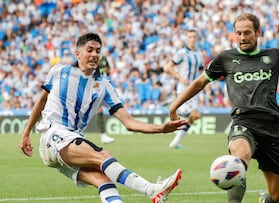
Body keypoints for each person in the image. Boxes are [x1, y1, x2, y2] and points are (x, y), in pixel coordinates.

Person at [168, 14, 279, 203]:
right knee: (238, 159)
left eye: (247, 33)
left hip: (271, 130)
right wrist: (175, 105)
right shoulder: (226, 58)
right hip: (243, 122)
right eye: (238, 33)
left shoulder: (274, 56)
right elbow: (199, 83)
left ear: (258, 32)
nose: (243, 37)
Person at [19, 32, 188, 203]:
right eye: (89, 50)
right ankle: (151, 190)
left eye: (97, 51)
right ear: (77, 53)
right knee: (103, 156)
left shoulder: (104, 86)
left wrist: (160, 129)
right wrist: (26, 133)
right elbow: (42, 101)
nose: (94, 55)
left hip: (68, 143)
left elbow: (128, 122)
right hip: (53, 136)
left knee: (104, 180)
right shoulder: (59, 71)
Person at [164, 29, 204, 149]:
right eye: (190, 37)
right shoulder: (182, 52)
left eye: (194, 37)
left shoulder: (199, 54)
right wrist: (180, 77)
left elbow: (201, 71)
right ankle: (175, 141)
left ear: (196, 39)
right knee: (195, 115)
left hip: (194, 88)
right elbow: (168, 67)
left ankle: (175, 142)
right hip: (184, 88)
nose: (192, 39)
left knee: (193, 117)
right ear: (186, 39)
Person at [97, 55, 116, 144]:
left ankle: (103, 135)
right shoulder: (91, 57)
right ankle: (103, 135)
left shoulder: (104, 58)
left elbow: (108, 72)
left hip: (101, 85)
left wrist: (106, 69)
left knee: (99, 109)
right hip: (92, 84)